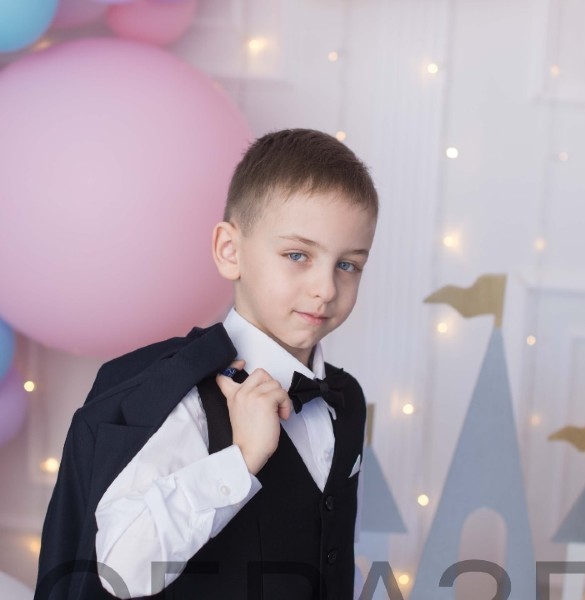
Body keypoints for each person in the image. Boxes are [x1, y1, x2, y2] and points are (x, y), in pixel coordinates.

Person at [34, 128, 378, 600]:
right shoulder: (181, 398)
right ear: (229, 251)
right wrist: (240, 459)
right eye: (297, 255)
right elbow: (120, 569)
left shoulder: (346, 397)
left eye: (348, 265)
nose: (326, 288)